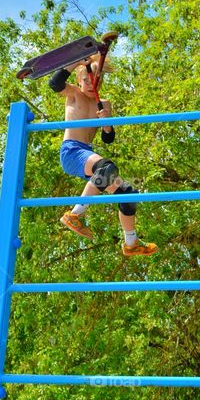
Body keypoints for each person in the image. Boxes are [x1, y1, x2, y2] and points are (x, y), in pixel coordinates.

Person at [49, 58, 157, 256]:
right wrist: (75, 61)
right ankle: (74, 214)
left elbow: (108, 138)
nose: (91, 84)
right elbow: (54, 84)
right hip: (72, 151)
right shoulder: (73, 93)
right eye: (87, 80)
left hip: (88, 153)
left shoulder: (103, 103)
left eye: (96, 80)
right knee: (106, 168)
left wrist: (107, 123)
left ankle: (131, 243)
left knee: (127, 192)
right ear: (79, 80)